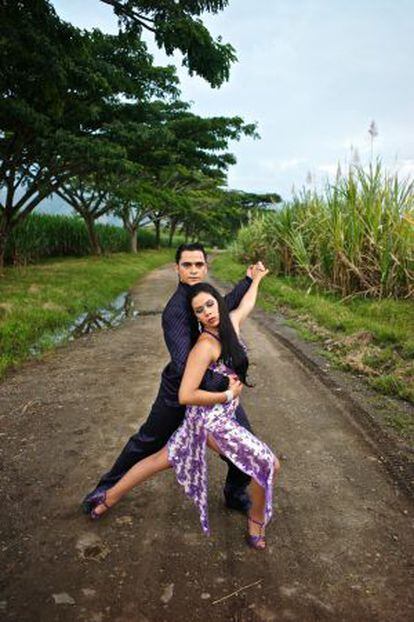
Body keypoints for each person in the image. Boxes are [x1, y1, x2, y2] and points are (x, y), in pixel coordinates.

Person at [89, 273, 280, 550]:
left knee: (162, 458)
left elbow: (247, 303)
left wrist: (256, 280)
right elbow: (186, 395)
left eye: (210, 305)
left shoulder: (232, 326)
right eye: (199, 311)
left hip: (216, 418)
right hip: (210, 421)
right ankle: (256, 519)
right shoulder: (204, 347)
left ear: (219, 304)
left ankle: (108, 498)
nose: (207, 313)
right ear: (196, 317)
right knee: (268, 464)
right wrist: (227, 394)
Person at [82, 243, 261, 515]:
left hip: (213, 388)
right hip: (180, 389)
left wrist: (249, 279)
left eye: (198, 264)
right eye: (186, 265)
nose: (193, 270)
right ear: (176, 268)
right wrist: (225, 386)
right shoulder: (176, 311)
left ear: (206, 267)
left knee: (244, 440)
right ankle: (104, 489)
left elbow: (224, 305)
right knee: (148, 441)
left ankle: (235, 492)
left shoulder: (202, 297)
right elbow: (181, 365)